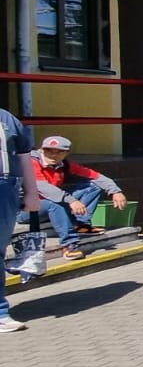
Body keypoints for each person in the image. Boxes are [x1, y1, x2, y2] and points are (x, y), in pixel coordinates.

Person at [20, 136, 130, 260]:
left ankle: (81, 224)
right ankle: (69, 244)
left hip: (52, 205)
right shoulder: (31, 163)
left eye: (59, 152)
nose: (53, 155)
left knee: (93, 186)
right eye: (49, 151)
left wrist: (115, 192)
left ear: (66, 153)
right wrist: (71, 200)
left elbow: (96, 176)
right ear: (41, 150)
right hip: (26, 210)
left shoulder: (65, 165)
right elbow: (42, 187)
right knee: (55, 203)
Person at [0, 107, 42, 333]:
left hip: (4, 189)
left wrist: (32, 192)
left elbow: (24, 158)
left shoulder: (7, 119)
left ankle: (0, 312)